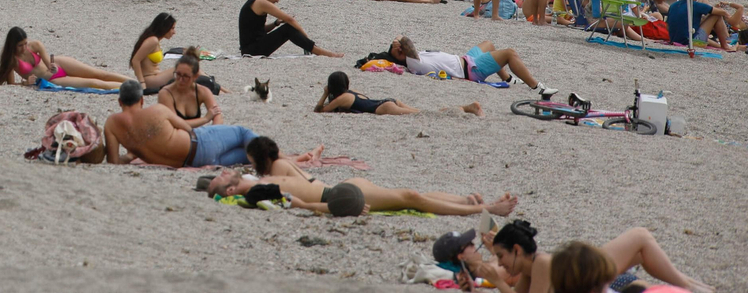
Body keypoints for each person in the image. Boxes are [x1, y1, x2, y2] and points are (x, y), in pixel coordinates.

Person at [202, 165, 517, 218]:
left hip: (339, 186)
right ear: (230, 188)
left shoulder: (254, 182)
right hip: (337, 196)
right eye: (223, 177)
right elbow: (298, 204)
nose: (226, 171)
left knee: (408, 193)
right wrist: (340, 208)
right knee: (412, 199)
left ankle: (463, 200)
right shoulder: (258, 194)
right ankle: (484, 209)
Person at [484, 219, 712, 293]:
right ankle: (691, 287)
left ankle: (690, 287)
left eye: (500, 256)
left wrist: (497, 280)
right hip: (604, 283)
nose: (500, 262)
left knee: (640, 237)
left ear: (517, 250)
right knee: (640, 240)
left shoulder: (542, 263)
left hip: (595, 279)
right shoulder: (529, 270)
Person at [103, 80, 260, 167]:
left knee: (248, 156)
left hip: (193, 162)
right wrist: (206, 119)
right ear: (142, 100)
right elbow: (186, 128)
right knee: (242, 133)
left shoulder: (111, 124)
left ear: (119, 102)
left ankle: (271, 158)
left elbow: (114, 161)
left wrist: (132, 154)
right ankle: (277, 157)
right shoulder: (157, 111)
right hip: (200, 144)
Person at [386, 36, 556, 98]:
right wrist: (399, 41)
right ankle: (537, 87)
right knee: (510, 54)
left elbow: (406, 44)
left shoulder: (414, 57)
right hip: (470, 70)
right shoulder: (413, 61)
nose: (400, 47)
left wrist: (397, 47)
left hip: (465, 60)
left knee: (488, 44)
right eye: (398, 50)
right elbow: (406, 41)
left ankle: (508, 78)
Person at [0, 27, 128, 90]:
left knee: (101, 73)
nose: (24, 47)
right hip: (52, 79)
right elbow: (10, 84)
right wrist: (25, 83)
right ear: (12, 45)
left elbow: (48, 62)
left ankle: (137, 82)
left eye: (25, 43)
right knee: (95, 83)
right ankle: (131, 88)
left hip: (59, 64)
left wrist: (51, 65)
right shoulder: (12, 61)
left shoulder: (35, 45)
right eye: (20, 45)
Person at [239, 0, 341, 57]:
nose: (277, 1)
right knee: (288, 28)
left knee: (287, 28)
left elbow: (258, 30)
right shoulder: (261, 2)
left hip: (249, 48)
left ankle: (314, 48)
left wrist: (275, 23)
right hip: (252, 51)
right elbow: (290, 19)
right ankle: (322, 52)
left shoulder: (253, 1)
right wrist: (306, 37)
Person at [315, 69, 480, 117]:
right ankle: (466, 107)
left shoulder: (341, 98)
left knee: (426, 114)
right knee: (422, 111)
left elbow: (320, 111)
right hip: (388, 101)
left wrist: (324, 94)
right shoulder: (352, 92)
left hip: (384, 108)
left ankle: (460, 110)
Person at [667, 0, 745, 50]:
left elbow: (668, 26)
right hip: (691, 42)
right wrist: (727, 14)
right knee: (716, 16)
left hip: (674, 39)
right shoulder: (696, 5)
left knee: (704, 19)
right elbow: (719, 12)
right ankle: (725, 46)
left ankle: (724, 43)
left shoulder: (673, 5)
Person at [156, 51, 222, 126]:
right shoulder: (166, 93)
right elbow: (175, 124)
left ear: (195, 76)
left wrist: (214, 131)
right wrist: (205, 119)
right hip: (174, 135)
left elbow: (218, 115)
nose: (180, 79)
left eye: (185, 76)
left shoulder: (202, 91)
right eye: (178, 75)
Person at [129, 13, 180, 91]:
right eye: (172, 28)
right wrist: (142, 83)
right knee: (186, 68)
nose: (174, 32)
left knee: (189, 70)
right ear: (164, 28)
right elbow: (135, 60)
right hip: (150, 80)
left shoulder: (155, 40)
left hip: (155, 76)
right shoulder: (153, 41)